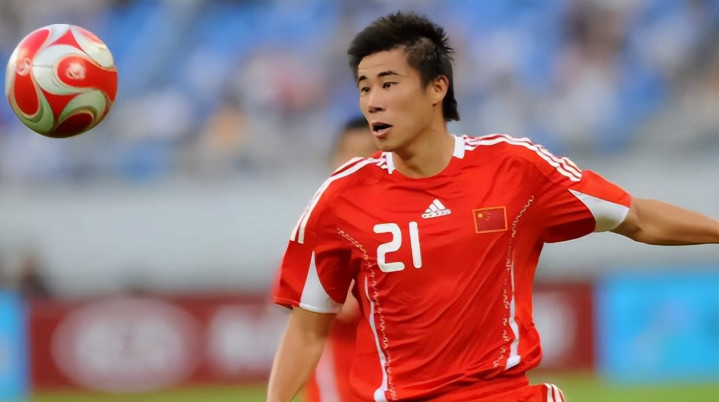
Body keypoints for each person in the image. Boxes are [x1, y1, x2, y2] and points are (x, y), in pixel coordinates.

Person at [267, 11, 719, 402]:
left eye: (388, 84)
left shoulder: (514, 168)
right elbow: (307, 330)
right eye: (364, 88)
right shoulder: (340, 198)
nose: (373, 102)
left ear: (436, 87)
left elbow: (635, 218)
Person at [303, 116, 378, 402]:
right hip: (340, 383)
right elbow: (289, 298)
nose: (357, 162)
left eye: (368, 152)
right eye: (349, 153)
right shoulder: (320, 223)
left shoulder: (404, 221)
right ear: (335, 158)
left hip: (394, 380)